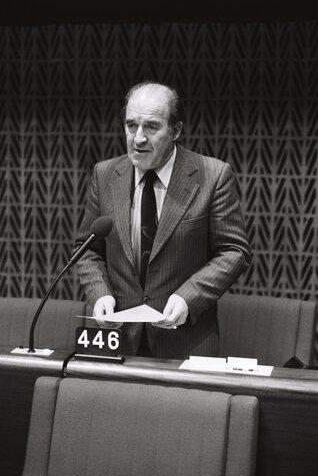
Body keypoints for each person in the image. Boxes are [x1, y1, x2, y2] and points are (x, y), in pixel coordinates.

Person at [76, 81, 251, 359]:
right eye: (131, 126)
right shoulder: (105, 174)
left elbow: (234, 252)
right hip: (119, 339)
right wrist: (100, 294)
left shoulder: (213, 176)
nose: (139, 138)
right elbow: (86, 251)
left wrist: (188, 296)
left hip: (184, 342)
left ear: (176, 130)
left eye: (152, 127)